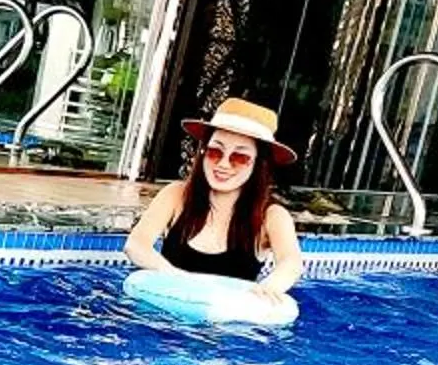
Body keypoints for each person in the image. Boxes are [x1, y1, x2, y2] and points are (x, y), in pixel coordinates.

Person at [123, 98, 305, 297]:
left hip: (225, 324)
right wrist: (178, 279)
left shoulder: (271, 216)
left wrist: (269, 288)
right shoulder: (176, 195)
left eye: (239, 157)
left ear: (258, 165)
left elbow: (291, 263)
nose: (223, 164)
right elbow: (136, 245)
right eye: (215, 152)